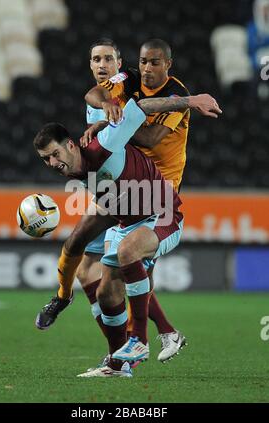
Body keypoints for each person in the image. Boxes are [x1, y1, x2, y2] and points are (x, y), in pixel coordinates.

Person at [33, 95, 222, 377]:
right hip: (128, 223)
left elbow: (140, 108)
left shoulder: (106, 143)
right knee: (106, 294)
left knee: (126, 252)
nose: (52, 162)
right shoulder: (79, 170)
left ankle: (140, 341)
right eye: (46, 159)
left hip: (163, 214)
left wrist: (190, 101)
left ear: (71, 145)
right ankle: (117, 364)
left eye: (55, 154)